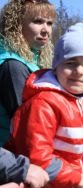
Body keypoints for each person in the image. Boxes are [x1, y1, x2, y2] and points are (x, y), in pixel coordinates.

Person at [4, 23, 83, 188]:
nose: (79, 71)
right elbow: (38, 158)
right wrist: (78, 178)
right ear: (56, 66)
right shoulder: (43, 103)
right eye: (71, 62)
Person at [0, 0, 56, 146]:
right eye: (38, 21)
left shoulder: (33, 61)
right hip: (14, 158)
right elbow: (26, 123)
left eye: (49, 23)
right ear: (16, 26)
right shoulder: (12, 66)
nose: (46, 30)